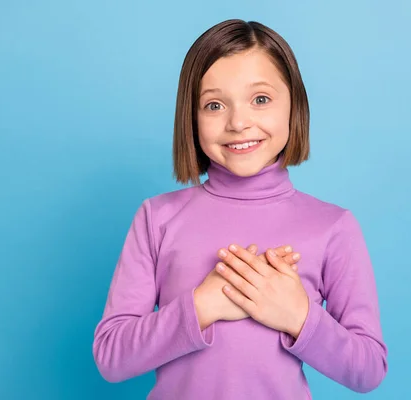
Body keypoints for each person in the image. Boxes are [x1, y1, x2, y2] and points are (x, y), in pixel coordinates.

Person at [93, 19, 388, 399]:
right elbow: (111, 357)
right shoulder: (156, 218)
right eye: (214, 105)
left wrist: (298, 316)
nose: (238, 122)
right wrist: (202, 306)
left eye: (260, 99)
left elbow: (368, 369)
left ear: (293, 106)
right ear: (191, 117)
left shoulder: (333, 227)